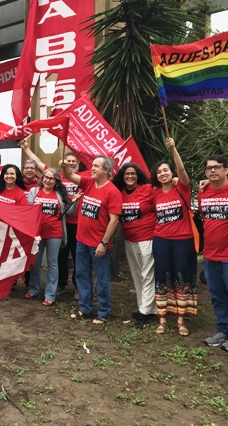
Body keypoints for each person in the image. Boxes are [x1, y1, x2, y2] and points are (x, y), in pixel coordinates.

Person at [19, 139, 84, 297]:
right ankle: (56, 285)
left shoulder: (83, 178)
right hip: (43, 230)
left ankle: (74, 287)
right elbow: (39, 163)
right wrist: (26, 149)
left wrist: (74, 201)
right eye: (68, 161)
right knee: (54, 260)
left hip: (72, 225)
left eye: (73, 161)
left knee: (75, 258)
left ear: (78, 163)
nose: (70, 163)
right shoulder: (54, 176)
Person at [61, 155, 121, 324]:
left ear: (106, 170)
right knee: (81, 274)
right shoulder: (89, 183)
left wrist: (103, 243)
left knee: (102, 278)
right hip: (81, 240)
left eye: (96, 166)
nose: (92, 168)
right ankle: (85, 308)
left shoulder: (113, 192)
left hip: (98, 244)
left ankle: (103, 312)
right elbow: (69, 176)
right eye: (92, 165)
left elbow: (114, 220)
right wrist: (65, 166)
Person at [197, 155, 228, 352]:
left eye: (217, 167)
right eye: (209, 168)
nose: (213, 171)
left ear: (226, 170)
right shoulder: (203, 191)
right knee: (217, 295)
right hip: (210, 254)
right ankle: (223, 330)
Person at [151, 138, 197, 336]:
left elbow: (183, 171)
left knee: (182, 277)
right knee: (162, 277)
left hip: (183, 240)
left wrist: (173, 149)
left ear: (172, 173)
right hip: (161, 239)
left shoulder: (182, 188)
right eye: (159, 172)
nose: (162, 174)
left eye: (166, 170)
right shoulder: (154, 193)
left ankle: (181, 320)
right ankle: (162, 319)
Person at [111, 163, 158, 328]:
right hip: (129, 240)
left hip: (147, 238)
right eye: (126, 174)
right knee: (138, 275)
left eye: (133, 173)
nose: (130, 176)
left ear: (138, 175)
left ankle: (144, 312)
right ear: (122, 177)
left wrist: (174, 179)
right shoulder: (119, 193)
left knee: (147, 273)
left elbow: (164, 191)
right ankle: (148, 309)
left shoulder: (147, 189)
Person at [26, 168, 71, 305]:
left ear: (56, 181)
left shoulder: (60, 195)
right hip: (37, 233)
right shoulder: (34, 192)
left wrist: (74, 200)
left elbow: (69, 212)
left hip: (55, 233)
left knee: (52, 263)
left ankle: (50, 295)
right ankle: (33, 289)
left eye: (51, 178)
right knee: (35, 263)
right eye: (45, 177)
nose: (47, 180)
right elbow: (28, 211)